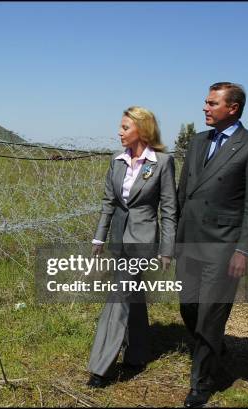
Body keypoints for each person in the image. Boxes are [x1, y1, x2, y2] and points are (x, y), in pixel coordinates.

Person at [175, 82, 248, 408]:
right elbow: (182, 194)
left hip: (223, 246)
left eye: (212, 103)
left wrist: (244, 250)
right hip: (190, 242)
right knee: (188, 307)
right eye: (205, 101)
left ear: (232, 108)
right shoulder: (198, 142)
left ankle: (202, 384)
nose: (205, 107)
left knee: (210, 316)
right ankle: (216, 345)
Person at [86, 106, 177, 388]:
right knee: (133, 295)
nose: (119, 132)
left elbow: (169, 209)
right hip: (118, 239)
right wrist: (99, 238)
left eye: (125, 127)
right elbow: (108, 203)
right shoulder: (117, 162)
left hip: (142, 241)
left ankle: (100, 367)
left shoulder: (161, 162)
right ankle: (137, 354)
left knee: (120, 296)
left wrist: (166, 248)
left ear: (142, 129)